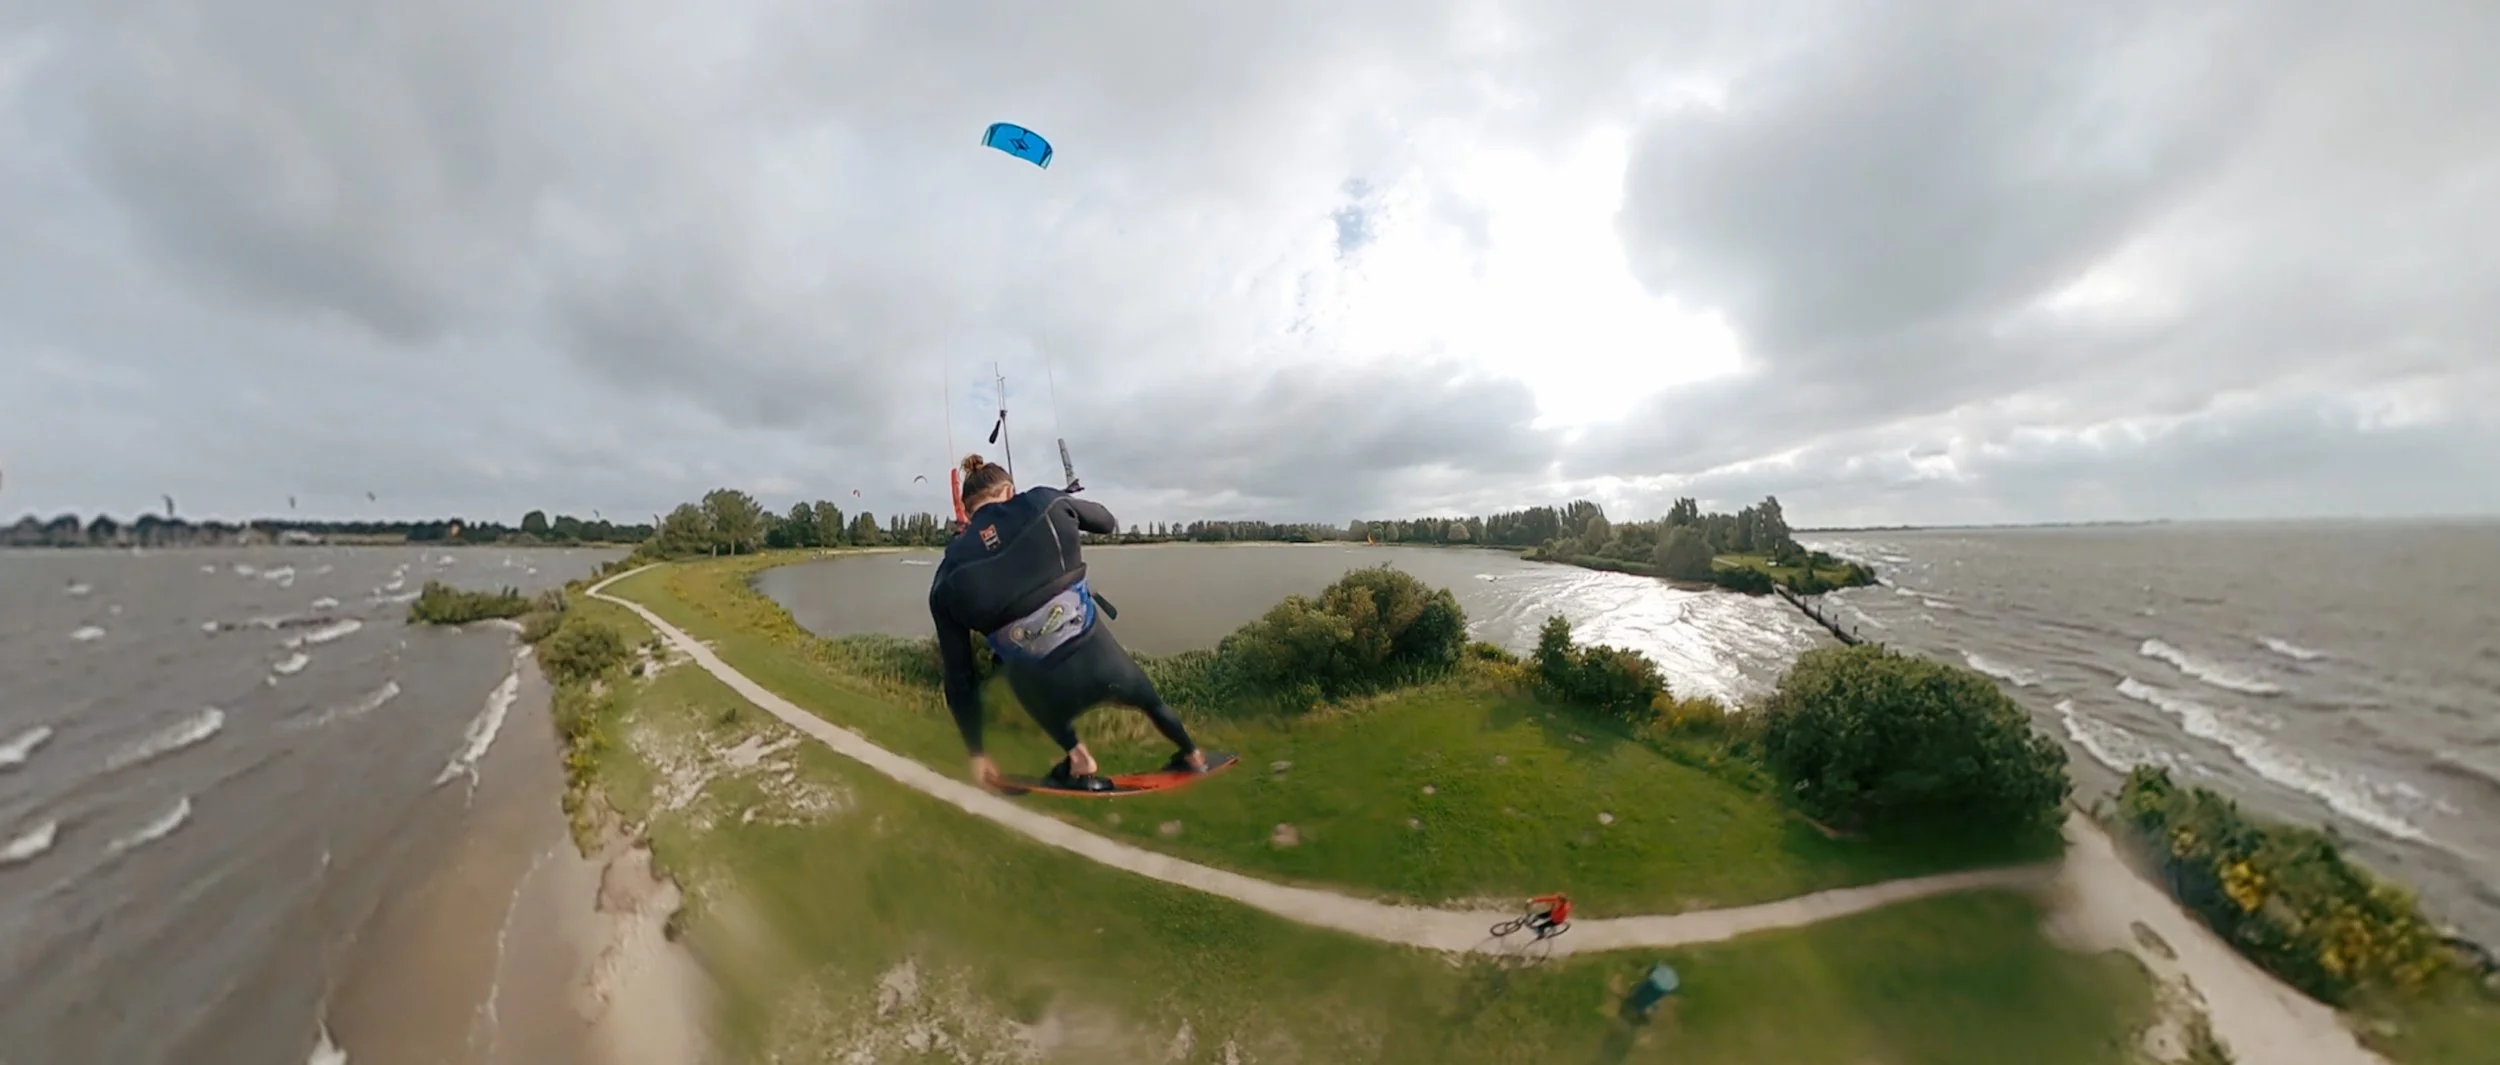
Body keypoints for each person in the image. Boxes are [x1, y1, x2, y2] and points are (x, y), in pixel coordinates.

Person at [930, 453, 1207, 792]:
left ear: (967, 510)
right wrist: (1065, 502)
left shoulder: (947, 576)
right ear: (1009, 491)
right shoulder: (1044, 501)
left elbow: (960, 679)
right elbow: (1107, 522)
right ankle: (1192, 755)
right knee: (1150, 702)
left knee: (1014, 669)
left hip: (1041, 687)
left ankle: (1079, 757)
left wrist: (976, 750)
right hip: (1103, 662)